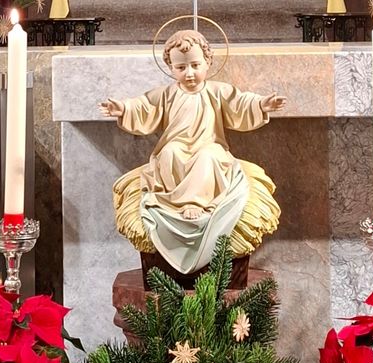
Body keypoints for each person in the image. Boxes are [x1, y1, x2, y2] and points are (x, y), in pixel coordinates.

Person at [100, 29, 285, 274]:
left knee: (208, 156)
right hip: (177, 152)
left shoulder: (217, 91)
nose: (189, 73)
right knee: (170, 153)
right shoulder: (167, 94)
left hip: (210, 148)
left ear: (208, 62)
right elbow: (144, 107)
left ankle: (195, 203)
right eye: (181, 67)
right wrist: (122, 108)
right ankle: (176, 200)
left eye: (195, 65)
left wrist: (262, 104)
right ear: (170, 68)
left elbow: (240, 103)